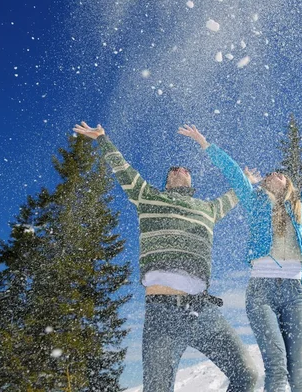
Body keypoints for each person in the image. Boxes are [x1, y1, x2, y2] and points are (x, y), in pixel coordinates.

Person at [178, 124, 302, 392]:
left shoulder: (299, 206)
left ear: (288, 184)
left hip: (295, 291)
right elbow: (233, 172)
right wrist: (205, 143)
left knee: (299, 370)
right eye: (271, 174)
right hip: (262, 292)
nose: (275, 175)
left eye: (280, 174)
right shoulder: (255, 202)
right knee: (277, 367)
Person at [72, 122, 258, 392]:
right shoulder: (148, 199)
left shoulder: (208, 209)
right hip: (162, 314)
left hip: (202, 310)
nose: (180, 170)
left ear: (192, 181)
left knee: (247, 374)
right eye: (174, 169)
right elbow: (125, 173)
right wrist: (103, 140)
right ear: (167, 180)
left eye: (185, 169)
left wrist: (247, 180)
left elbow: (234, 196)